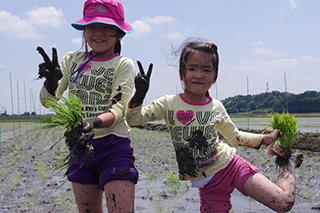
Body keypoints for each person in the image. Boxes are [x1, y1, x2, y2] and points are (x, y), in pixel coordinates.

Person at [127, 38, 303, 212]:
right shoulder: (168, 103)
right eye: (192, 68)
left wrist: (266, 138)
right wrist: (139, 96)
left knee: (283, 202)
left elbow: (235, 137)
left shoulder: (216, 107)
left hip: (231, 167)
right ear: (182, 73)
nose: (199, 74)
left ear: (214, 76)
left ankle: (289, 163)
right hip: (208, 184)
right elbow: (134, 120)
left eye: (206, 69)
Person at [37, 0, 138, 212]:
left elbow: (118, 110)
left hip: (113, 147)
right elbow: (48, 101)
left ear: (120, 33)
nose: (98, 33)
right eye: (92, 26)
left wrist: (93, 122)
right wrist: (50, 82)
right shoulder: (71, 60)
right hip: (80, 147)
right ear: (84, 30)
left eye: (107, 27)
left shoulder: (122, 64)